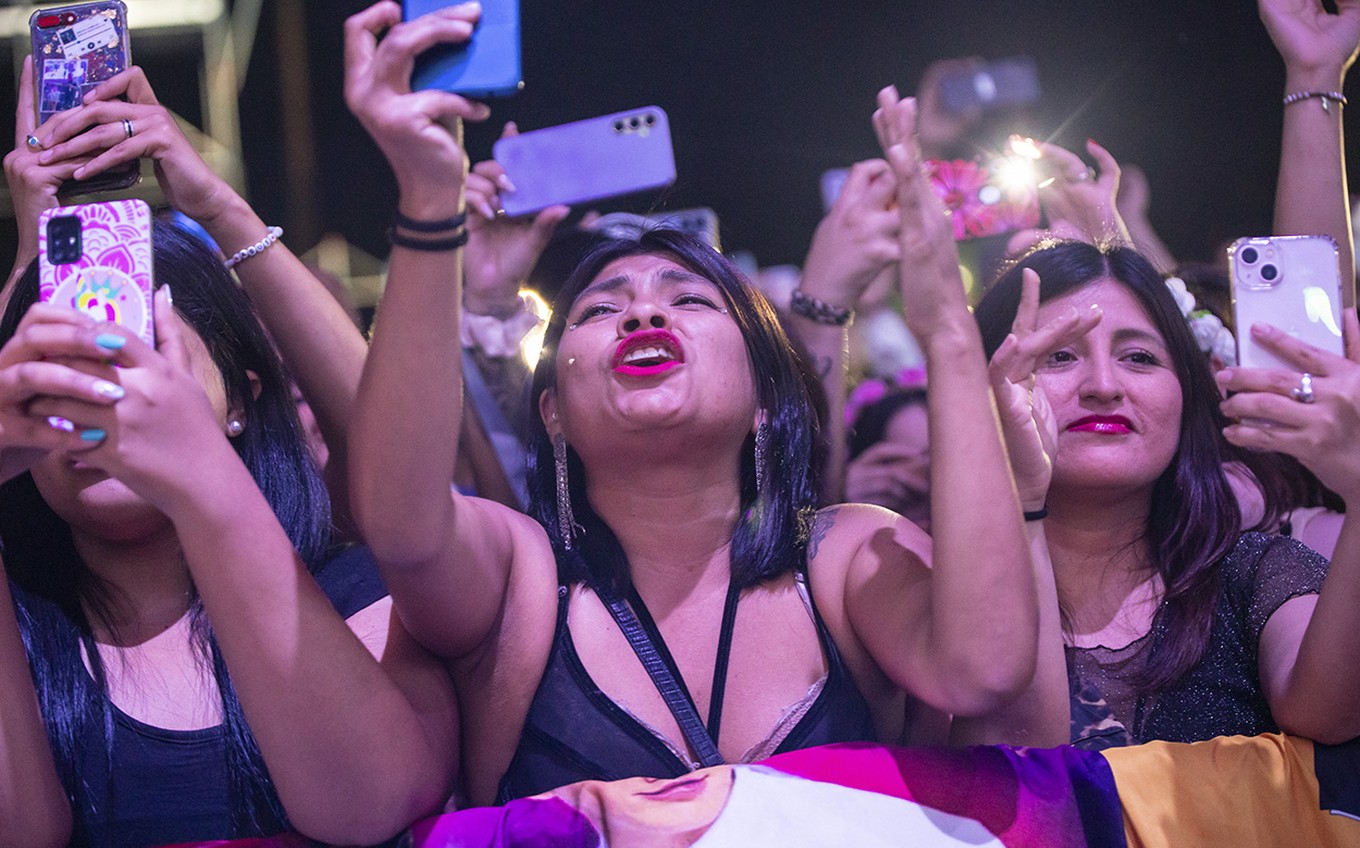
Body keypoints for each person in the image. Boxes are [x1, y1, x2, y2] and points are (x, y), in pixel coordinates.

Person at [346, 0, 1056, 807]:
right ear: (552, 412)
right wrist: (429, 202)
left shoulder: (845, 555)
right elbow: (400, 523)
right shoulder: (519, 580)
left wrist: (948, 335)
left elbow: (983, 666)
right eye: (603, 308)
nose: (644, 314)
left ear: (765, 397)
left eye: (688, 300)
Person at [0, 63, 458, 847]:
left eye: (136, 350)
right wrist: (32, 257)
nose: (102, 396)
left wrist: (196, 475)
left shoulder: (359, 591)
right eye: (62, 378)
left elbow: (372, 806)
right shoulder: (24, 625)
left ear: (243, 400)